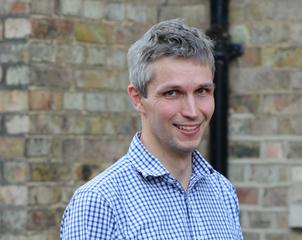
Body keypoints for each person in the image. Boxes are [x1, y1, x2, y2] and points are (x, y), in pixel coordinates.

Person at [60, 18, 244, 239]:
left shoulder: (222, 192)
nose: (193, 111)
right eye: (172, 93)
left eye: (202, 91)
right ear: (137, 98)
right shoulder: (99, 203)